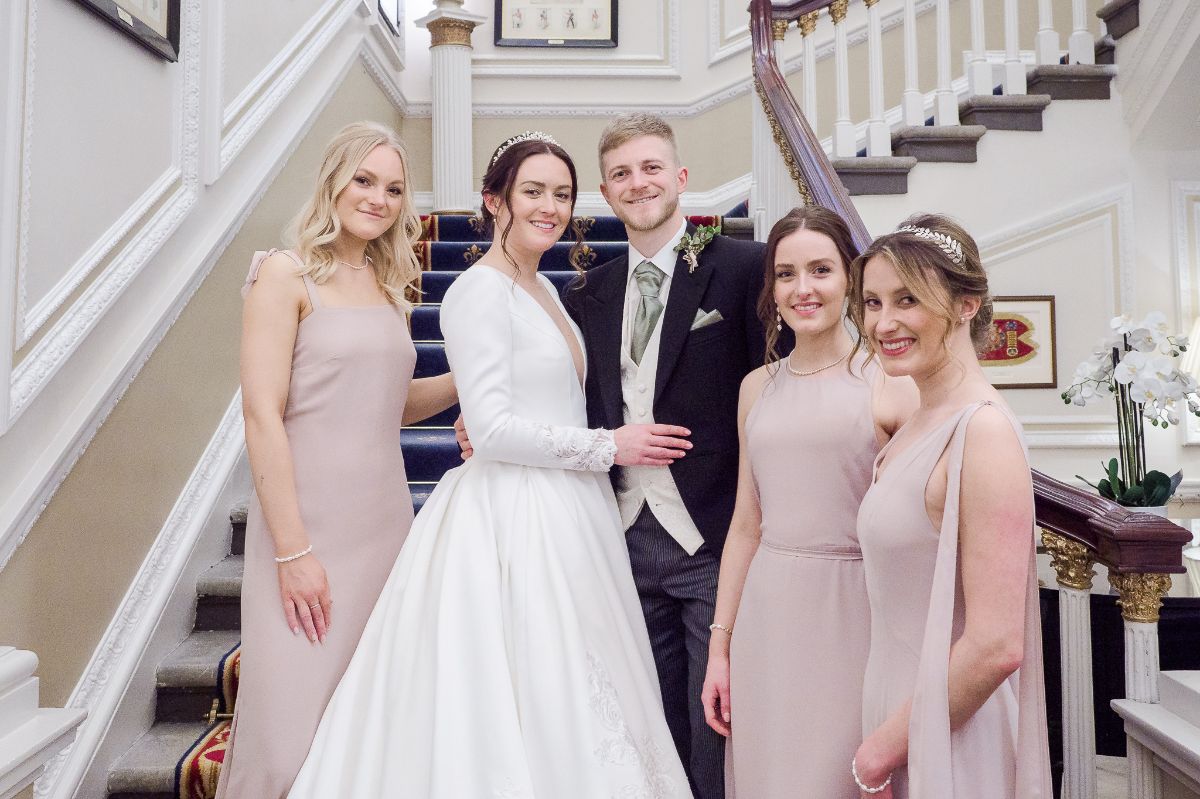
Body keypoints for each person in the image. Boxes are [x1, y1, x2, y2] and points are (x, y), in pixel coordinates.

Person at [287, 132, 694, 798]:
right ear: (494, 200)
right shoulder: (477, 292)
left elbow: (543, 399)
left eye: (561, 194)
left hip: (573, 510)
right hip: (514, 517)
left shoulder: (547, 290)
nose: (549, 207)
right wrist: (610, 446)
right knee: (523, 697)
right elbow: (495, 429)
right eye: (532, 191)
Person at [216, 121, 457, 798]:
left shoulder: (389, 283)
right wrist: (293, 551)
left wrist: (472, 378)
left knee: (361, 735)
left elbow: (387, 405)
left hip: (383, 526)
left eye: (394, 189)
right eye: (364, 180)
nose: (378, 198)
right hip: (306, 528)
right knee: (286, 738)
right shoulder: (284, 273)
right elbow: (262, 415)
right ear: (333, 181)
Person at [560, 113, 772, 799]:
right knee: (647, 727)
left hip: (712, 534)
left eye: (651, 168)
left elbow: (776, 387)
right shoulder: (586, 292)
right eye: (621, 174)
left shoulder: (741, 267)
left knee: (716, 727)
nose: (638, 183)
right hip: (621, 534)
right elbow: (569, 398)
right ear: (605, 191)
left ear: (679, 177)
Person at [699, 207, 917, 798]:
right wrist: (720, 647)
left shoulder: (890, 383)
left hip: (857, 616)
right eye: (786, 273)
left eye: (820, 270)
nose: (803, 289)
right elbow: (746, 525)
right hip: (766, 618)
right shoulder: (756, 387)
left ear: (850, 277)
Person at [849, 214, 1052, 798]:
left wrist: (877, 756)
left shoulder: (982, 433)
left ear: (967, 305)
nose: (883, 323)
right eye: (872, 302)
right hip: (900, 709)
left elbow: (996, 646)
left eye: (907, 300)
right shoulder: (917, 420)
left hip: (954, 737)